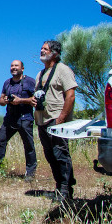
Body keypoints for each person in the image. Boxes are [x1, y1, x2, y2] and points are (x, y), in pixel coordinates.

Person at [32, 40, 78, 201]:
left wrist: (62, 118)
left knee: (60, 153)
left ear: (55, 53)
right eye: (41, 48)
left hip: (56, 118)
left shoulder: (63, 70)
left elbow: (70, 96)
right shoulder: (40, 74)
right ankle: (59, 186)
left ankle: (66, 189)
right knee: (50, 154)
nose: (42, 51)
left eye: (45, 49)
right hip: (42, 119)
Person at [0, 60, 37, 181]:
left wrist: (20, 100)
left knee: (28, 145)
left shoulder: (30, 81)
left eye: (16, 66)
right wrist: (5, 100)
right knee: (0, 141)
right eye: (12, 66)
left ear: (22, 68)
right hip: (10, 118)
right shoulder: (7, 83)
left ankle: (30, 173)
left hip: (25, 118)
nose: (13, 68)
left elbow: (35, 100)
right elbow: (0, 101)